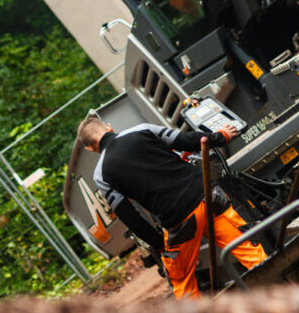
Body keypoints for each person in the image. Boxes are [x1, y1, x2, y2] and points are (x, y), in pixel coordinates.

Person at [77, 114, 266, 299]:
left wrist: (159, 244)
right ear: (108, 127)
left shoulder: (101, 175)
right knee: (248, 248)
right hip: (208, 196)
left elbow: (131, 217)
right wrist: (221, 136)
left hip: (180, 222)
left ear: (89, 148)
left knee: (182, 281)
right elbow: (189, 140)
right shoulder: (142, 130)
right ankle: (283, 289)